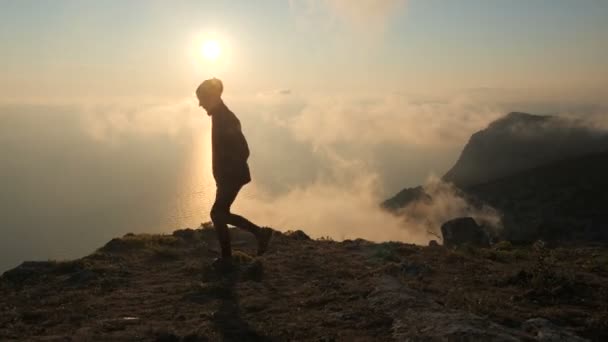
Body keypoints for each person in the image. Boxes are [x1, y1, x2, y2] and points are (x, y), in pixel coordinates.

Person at [196, 78, 272, 270]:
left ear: (212, 97)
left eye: (202, 99)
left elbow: (243, 150)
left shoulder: (226, 118)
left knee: (217, 213)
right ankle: (255, 237)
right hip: (227, 176)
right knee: (220, 214)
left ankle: (230, 257)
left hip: (232, 176)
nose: (200, 104)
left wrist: (227, 170)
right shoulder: (219, 116)